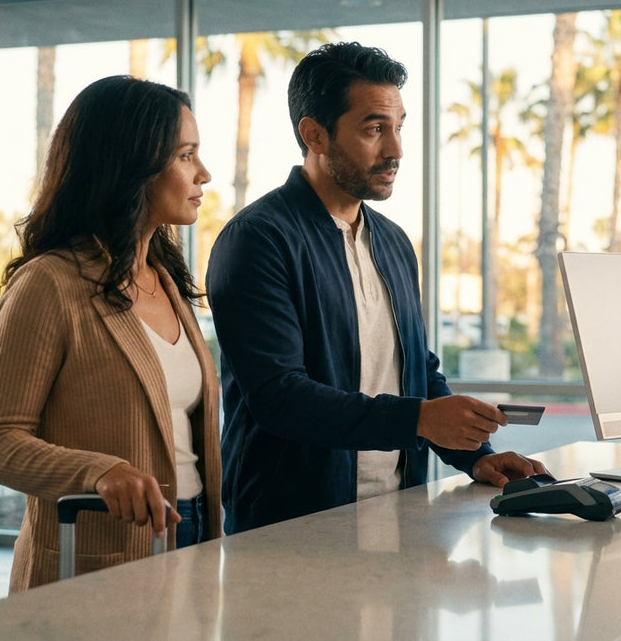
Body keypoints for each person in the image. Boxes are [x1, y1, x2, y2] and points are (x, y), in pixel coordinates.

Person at [206, 41, 547, 534]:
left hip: (399, 517)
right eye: (374, 129)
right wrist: (419, 419)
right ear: (315, 134)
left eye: (399, 127)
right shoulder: (257, 241)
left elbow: (416, 371)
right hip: (290, 529)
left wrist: (476, 457)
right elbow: (280, 397)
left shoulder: (392, 242)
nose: (396, 150)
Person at [0, 75, 221, 591]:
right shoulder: (49, 283)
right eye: (185, 156)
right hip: (93, 554)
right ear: (132, 165)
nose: (204, 174)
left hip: (192, 531)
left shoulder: (166, 279)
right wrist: (100, 471)